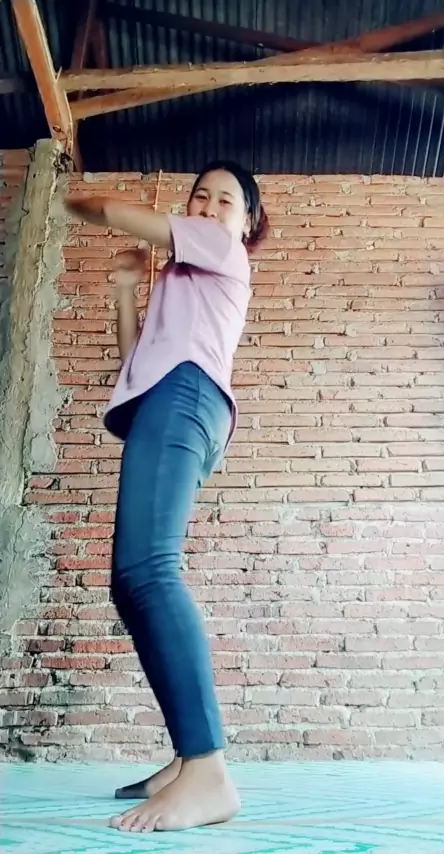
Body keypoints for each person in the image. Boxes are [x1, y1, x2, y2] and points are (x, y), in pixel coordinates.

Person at [64, 162, 268, 834]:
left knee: (149, 571)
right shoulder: (184, 279)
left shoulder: (220, 247)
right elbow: (136, 363)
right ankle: (187, 759)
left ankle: (208, 772)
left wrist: (72, 201)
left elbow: (109, 211)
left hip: (186, 395)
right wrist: (127, 289)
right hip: (168, 397)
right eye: (199, 196)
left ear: (247, 222)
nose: (207, 207)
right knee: (132, 583)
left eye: (225, 200)